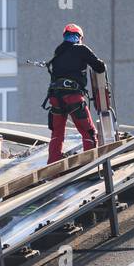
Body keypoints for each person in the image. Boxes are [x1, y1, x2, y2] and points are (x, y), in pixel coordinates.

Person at [43, 23, 106, 164]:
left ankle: (53, 170)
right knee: (88, 132)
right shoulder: (81, 49)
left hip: (55, 97)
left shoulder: (58, 51)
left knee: (57, 134)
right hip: (73, 97)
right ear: (79, 37)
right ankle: (90, 167)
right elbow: (99, 67)